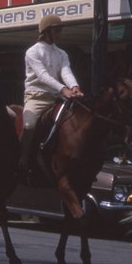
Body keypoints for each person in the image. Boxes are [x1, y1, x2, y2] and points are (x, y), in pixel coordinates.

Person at [17, 14, 84, 180]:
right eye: (57, 30)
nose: (60, 33)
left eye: (60, 29)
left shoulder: (61, 53)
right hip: (36, 97)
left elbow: (65, 71)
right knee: (29, 124)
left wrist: (74, 86)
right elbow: (42, 75)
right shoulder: (32, 52)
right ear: (46, 32)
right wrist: (63, 89)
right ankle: (22, 161)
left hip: (55, 98)